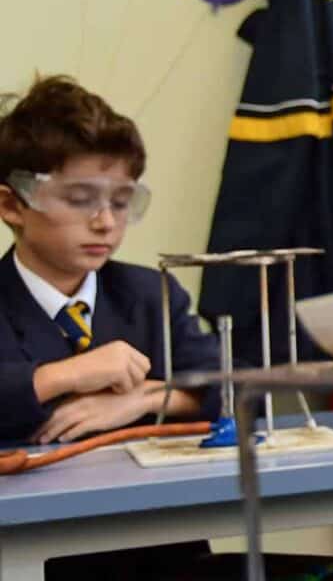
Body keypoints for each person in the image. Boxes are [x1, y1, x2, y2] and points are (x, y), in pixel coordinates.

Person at [0, 76, 218, 446]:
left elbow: (236, 384)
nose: (105, 223)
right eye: (80, 199)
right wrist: (62, 376)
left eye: (120, 202)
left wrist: (144, 398)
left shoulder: (152, 294)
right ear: (11, 205)